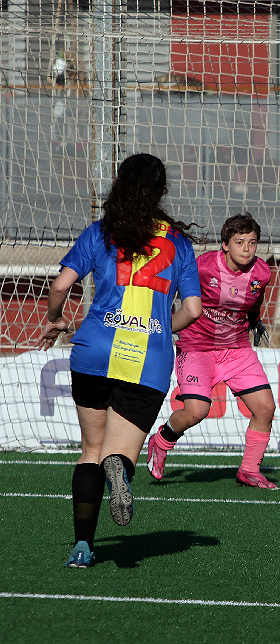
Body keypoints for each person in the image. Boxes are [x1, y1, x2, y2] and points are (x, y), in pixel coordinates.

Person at [38, 153, 203, 568]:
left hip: (94, 350)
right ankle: (121, 467)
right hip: (147, 358)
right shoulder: (179, 243)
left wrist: (56, 319)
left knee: (90, 449)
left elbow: (59, 285)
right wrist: (160, 327)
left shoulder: (101, 232)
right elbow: (194, 310)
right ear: (161, 191)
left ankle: (82, 546)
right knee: (117, 454)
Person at [145, 212, 278, 489]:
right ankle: (162, 440)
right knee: (196, 411)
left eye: (252, 243)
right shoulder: (203, 268)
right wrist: (161, 324)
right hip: (197, 348)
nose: (246, 249)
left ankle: (249, 470)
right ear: (225, 244)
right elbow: (174, 291)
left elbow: (257, 297)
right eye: (239, 242)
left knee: (265, 408)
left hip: (236, 349)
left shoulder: (262, 272)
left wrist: (255, 319)